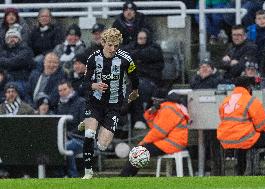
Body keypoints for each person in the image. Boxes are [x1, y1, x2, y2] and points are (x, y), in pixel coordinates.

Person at [79, 28, 139, 179]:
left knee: (102, 145)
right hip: (95, 102)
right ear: (103, 43)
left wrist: (135, 91)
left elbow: (135, 78)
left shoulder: (126, 59)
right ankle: (88, 172)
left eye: (116, 46)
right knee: (89, 134)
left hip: (114, 105)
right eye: (110, 45)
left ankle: (90, 123)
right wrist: (95, 85)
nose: (113, 49)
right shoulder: (93, 58)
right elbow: (84, 84)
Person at [217, 76, 265, 175]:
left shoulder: (226, 100)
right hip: (243, 138)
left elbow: (223, 118)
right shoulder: (251, 100)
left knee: (243, 143)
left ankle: (240, 173)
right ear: (249, 87)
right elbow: (262, 126)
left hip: (225, 139)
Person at [120, 89, 190, 176]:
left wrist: (142, 142)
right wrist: (151, 113)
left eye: (155, 100)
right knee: (140, 152)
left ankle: (124, 176)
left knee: (140, 152)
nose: (153, 102)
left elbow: (158, 132)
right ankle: (127, 176)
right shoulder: (170, 107)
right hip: (171, 141)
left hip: (172, 143)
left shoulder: (168, 109)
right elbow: (153, 125)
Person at [56, 80, 86, 178]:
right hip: (65, 137)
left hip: (81, 139)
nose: (62, 92)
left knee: (65, 147)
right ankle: (59, 174)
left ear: (71, 89)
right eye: (60, 91)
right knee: (58, 146)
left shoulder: (81, 102)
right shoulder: (60, 105)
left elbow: (84, 124)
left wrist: (70, 134)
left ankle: (73, 175)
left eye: (65, 89)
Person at [0, 27, 35, 102]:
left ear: (19, 39)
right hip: (4, 80)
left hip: (21, 80)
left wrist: (6, 62)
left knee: (14, 90)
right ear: (6, 40)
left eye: (15, 37)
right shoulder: (2, 51)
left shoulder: (26, 50)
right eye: (9, 37)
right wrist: (12, 62)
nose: (12, 39)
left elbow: (18, 62)